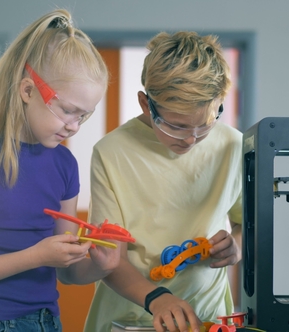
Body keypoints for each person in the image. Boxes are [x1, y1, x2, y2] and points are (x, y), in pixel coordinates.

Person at [0, 9, 119, 332]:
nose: (74, 127)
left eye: (83, 117)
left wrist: (98, 267)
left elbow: (65, 271)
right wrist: (35, 256)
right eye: (67, 111)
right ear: (28, 91)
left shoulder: (65, 165)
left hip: (47, 322)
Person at [84, 31, 243, 332]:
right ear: (146, 104)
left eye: (205, 124)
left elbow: (248, 226)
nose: (191, 139)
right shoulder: (111, 152)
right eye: (177, 126)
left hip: (207, 318)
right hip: (128, 319)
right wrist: (157, 298)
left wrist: (236, 246)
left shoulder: (232, 145)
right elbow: (109, 260)